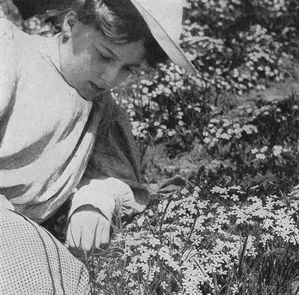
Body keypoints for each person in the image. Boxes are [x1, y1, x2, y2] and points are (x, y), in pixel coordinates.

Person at [0, 0, 196, 293]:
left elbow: (119, 179)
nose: (110, 78)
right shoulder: (12, 54)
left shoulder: (104, 112)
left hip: (17, 238)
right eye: (105, 56)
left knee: (68, 278)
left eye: (127, 68)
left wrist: (95, 200)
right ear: (71, 23)